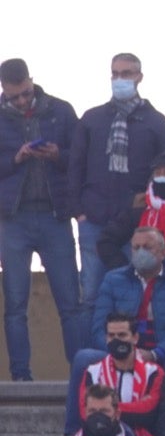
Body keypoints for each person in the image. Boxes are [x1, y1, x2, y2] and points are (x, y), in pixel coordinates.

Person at [69, 53, 165, 320]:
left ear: (139, 77)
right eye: (115, 73)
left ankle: (132, 360)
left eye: (126, 73)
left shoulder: (157, 122)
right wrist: (78, 211)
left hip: (136, 224)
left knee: (134, 294)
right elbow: (76, 166)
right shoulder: (92, 118)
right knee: (91, 295)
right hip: (93, 218)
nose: (119, 79)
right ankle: (91, 360)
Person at [68, 226, 165, 430]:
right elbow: (98, 328)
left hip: (162, 351)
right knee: (84, 358)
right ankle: (74, 433)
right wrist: (120, 351)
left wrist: (156, 354)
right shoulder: (113, 279)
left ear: (163, 252)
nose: (140, 252)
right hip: (119, 348)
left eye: (147, 247)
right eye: (136, 247)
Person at [0, 58, 81, 380]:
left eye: (26, 93)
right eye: (14, 96)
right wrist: (15, 159)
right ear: (4, 90)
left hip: (54, 216)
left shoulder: (61, 111)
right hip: (12, 220)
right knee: (16, 305)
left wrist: (58, 155)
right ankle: (21, 376)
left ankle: (79, 375)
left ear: (32, 82)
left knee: (70, 303)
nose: (21, 101)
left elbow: (80, 158)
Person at [67, 310, 165, 436]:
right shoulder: (93, 372)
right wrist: (134, 409)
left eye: (122, 335)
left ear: (135, 338)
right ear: (106, 338)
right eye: (111, 336)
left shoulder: (154, 372)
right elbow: (85, 412)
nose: (116, 340)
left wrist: (103, 410)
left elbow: (149, 413)